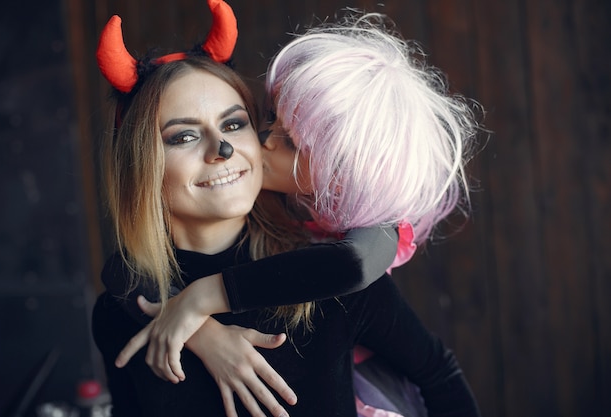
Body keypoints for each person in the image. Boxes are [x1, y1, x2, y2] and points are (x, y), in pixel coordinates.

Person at [92, 2, 482, 416]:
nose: (223, 150)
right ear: (140, 165)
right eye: (184, 136)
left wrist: (199, 302)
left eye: (234, 123)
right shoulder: (121, 310)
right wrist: (198, 329)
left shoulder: (331, 282)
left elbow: (439, 377)